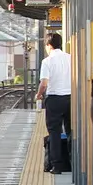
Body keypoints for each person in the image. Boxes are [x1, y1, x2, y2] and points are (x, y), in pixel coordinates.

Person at [36, 32, 72, 173]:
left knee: (54, 132)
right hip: (70, 98)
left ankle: (57, 165)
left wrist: (39, 94)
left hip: (54, 99)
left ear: (49, 45)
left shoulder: (47, 61)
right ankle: (72, 161)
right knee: (70, 131)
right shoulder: (70, 58)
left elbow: (44, 83)